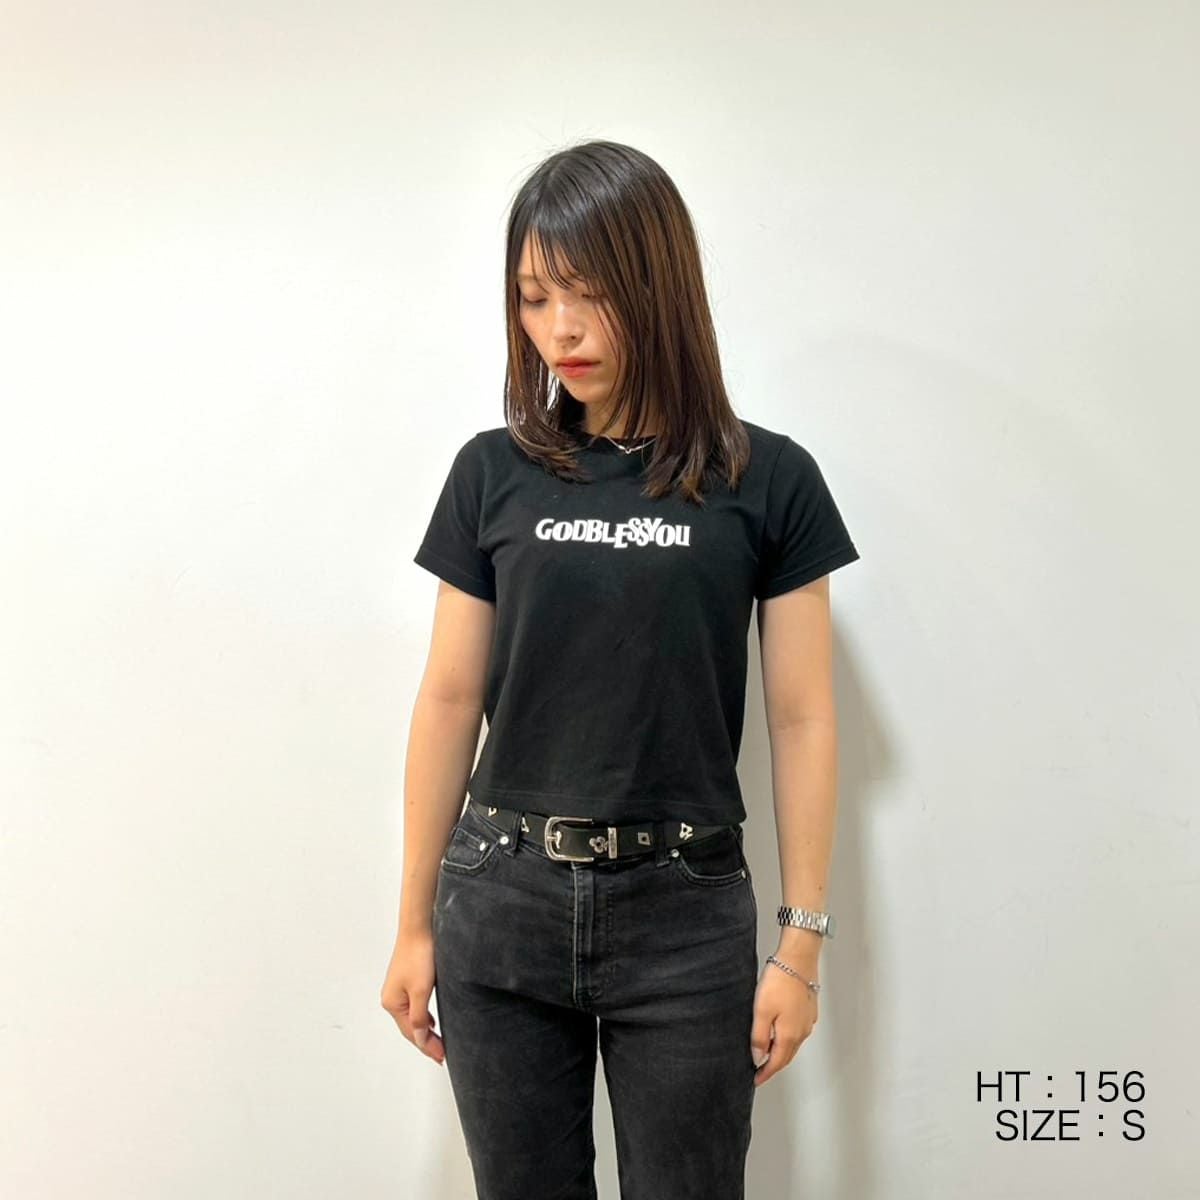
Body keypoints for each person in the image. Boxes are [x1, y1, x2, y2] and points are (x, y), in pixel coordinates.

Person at [380, 139, 861, 1200]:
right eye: (534, 296)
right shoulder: (491, 473)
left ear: (660, 285)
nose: (561, 329)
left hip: (685, 913)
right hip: (501, 902)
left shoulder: (767, 478)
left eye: (589, 293)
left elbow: (804, 719)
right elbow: (450, 699)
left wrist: (803, 945)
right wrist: (412, 924)